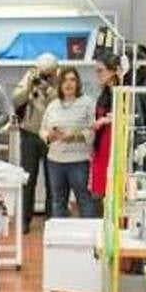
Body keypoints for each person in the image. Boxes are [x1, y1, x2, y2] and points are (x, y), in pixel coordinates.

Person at [41, 67, 98, 218]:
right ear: (59, 84)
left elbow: (93, 131)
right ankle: (60, 232)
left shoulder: (88, 104)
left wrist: (75, 136)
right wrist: (49, 136)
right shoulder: (53, 105)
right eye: (65, 80)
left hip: (79, 162)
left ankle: (89, 232)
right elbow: (42, 129)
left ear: (78, 83)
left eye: (72, 80)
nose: (68, 84)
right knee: (57, 202)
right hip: (55, 162)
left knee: (85, 200)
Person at [12, 52, 58, 232]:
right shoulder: (30, 77)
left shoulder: (61, 80)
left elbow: (62, 103)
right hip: (30, 133)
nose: (44, 76)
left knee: (52, 180)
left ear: (54, 71)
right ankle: (24, 219)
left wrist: (49, 90)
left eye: (48, 74)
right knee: (27, 179)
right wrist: (29, 87)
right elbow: (16, 99)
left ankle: (52, 219)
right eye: (42, 73)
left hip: (51, 135)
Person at [89, 52, 121, 199]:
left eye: (101, 70)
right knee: (101, 192)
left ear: (113, 71)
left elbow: (129, 115)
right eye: (97, 71)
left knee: (114, 190)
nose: (98, 75)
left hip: (116, 145)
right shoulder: (104, 94)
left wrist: (105, 120)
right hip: (101, 145)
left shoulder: (123, 92)